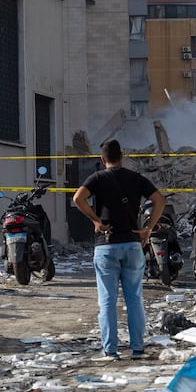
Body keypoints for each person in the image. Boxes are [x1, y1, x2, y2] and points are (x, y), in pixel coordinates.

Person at [73, 138, 165, 361]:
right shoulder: (136, 178)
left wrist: (96, 220)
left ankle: (110, 350)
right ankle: (137, 349)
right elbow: (159, 200)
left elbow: (78, 198)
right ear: (122, 156)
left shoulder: (97, 178)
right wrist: (147, 229)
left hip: (106, 245)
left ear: (102, 159)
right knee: (134, 298)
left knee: (107, 300)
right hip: (133, 244)